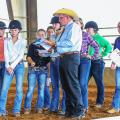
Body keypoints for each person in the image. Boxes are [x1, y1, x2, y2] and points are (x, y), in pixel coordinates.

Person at [47, 8, 85, 119]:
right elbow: (61, 45)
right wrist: (54, 46)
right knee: (66, 86)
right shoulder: (65, 29)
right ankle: (70, 111)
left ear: (68, 17)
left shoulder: (74, 27)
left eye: (61, 17)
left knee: (72, 84)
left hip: (71, 57)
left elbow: (70, 42)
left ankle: (78, 110)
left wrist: (55, 43)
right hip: (64, 57)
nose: (59, 19)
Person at [0, 20, 27, 117]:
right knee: (4, 89)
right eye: (11, 30)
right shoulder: (7, 40)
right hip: (8, 66)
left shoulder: (23, 41)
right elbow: (6, 53)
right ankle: (2, 110)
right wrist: (7, 66)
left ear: (19, 30)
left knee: (19, 88)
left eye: (15, 30)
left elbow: (20, 55)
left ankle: (16, 110)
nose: (13, 32)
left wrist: (11, 66)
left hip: (19, 66)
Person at [85, 21, 112, 108]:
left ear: (94, 29)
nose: (87, 29)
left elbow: (109, 46)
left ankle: (100, 102)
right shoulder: (87, 37)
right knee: (84, 82)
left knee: (99, 82)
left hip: (97, 62)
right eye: (86, 28)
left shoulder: (99, 38)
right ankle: (83, 100)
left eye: (88, 28)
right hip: (88, 61)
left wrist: (103, 54)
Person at [24, 29, 50, 114]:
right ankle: (27, 108)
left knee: (41, 90)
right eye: (39, 34)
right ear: (36, 35)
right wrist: (31, 62)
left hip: (43, 70)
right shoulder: (32, 45)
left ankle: (39, 108)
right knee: (30, 89)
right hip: (33, 70)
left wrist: (46, 54)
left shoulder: (48, 46)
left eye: (43, 34)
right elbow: (28, 56)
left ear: (45, 35)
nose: (41, 36)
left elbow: (49, 60)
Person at [76, 18, 99, 113]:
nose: (76, 25)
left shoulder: (86, 35)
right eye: (74, 24)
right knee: (76, 84)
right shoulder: (70, 35)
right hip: (73, 61)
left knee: (82, 83)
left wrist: (92, 56)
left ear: (81, 25)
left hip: (85, 61)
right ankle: (78, 105)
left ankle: (85, 106)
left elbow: (96, 46)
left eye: (78, 23)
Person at [107, 22, 120, 113]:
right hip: (119, 65)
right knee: (118, 86)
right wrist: (113, 62)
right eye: (118, 27)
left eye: (119, 27)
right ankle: (116, 106)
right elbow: (115, 52)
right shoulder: (117, 40)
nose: (118, 29)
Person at [0, 21, 7, 93]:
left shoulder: (7, 40)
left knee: (3, 84)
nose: (3, 31)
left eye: (3, 29)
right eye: (1, 29)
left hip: (5, 63)